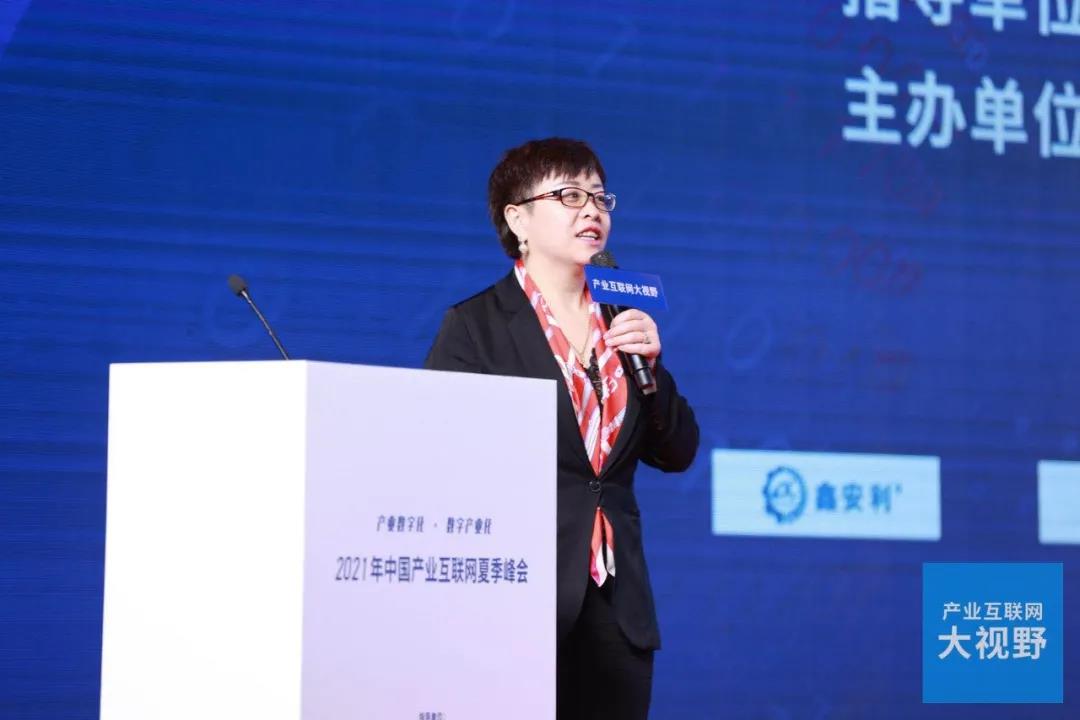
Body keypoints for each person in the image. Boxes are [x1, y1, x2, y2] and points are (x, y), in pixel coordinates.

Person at [424, 137, 699, 720]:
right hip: (513, 596)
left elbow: (677, 452)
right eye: (569, 196)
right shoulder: (476, 325)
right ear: (517, 219)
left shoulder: (621, 318)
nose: (591, 210)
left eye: (599, 197)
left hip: (618, 606)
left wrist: (652, 368)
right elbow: (440, 458)